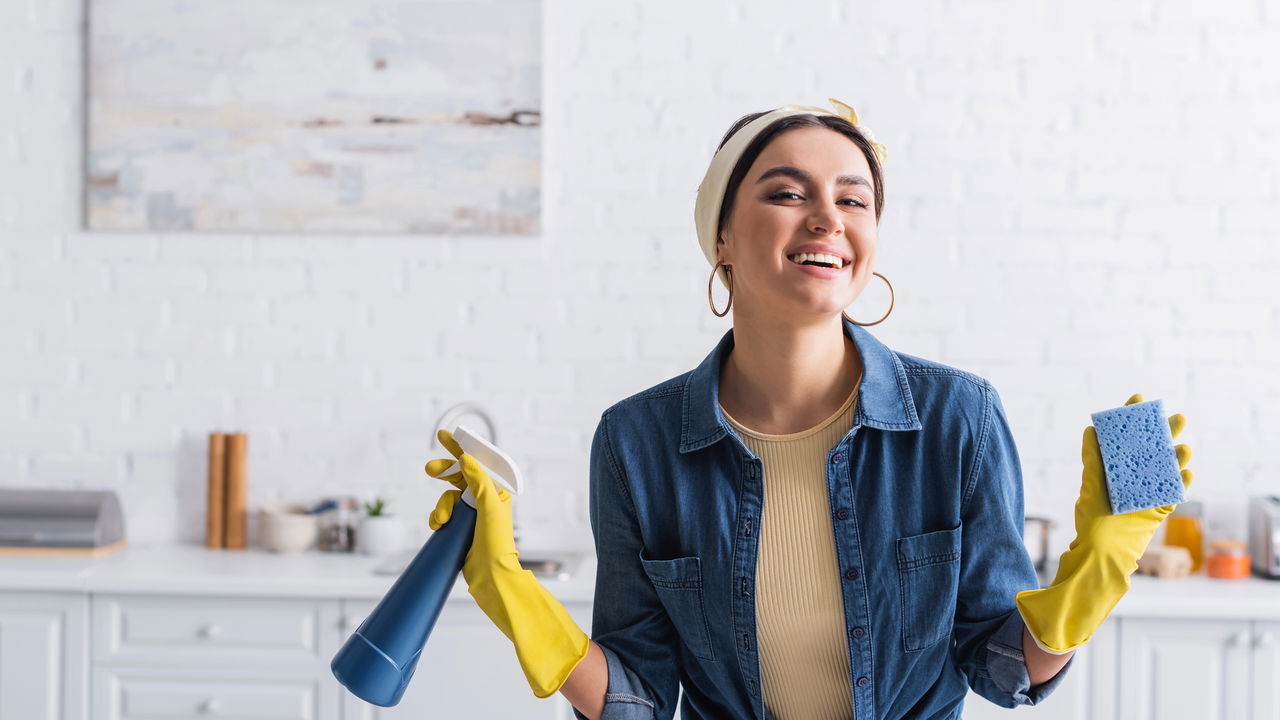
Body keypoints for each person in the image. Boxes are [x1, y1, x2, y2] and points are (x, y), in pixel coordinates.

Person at [424, 98, 1195, 720]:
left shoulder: (960, 418)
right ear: (723, 237)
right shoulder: (637, 443)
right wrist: (514, 595)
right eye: (788, 193)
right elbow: (641, 700)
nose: (828, 218)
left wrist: (1097, 570)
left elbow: (997, 669)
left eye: (853, 199)